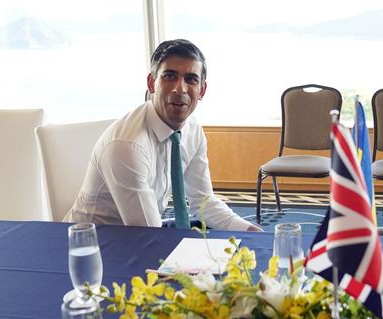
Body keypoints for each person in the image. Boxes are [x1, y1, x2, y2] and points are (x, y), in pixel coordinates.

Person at [65, 39, 261, 232]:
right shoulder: (127, 145)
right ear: (152, 83)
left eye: (191, 79)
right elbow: (149, 233)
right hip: (93, 244)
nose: (180, 88)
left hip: (140, 235)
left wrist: (249, 229)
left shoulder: (192, 130)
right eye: (169, 76)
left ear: (202, 90)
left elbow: (203, 202)